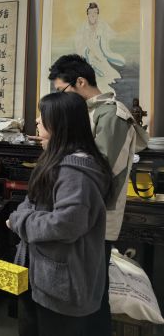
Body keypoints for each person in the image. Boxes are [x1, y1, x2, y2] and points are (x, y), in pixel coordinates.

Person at [48, 54, 148, 335]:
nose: (62, 97)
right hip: (81, 212)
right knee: (81, 290)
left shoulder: (112, 115)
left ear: (80, 82)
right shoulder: (90, 112)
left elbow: (100, 170)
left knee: (92, 294)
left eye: (62, 90)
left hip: (97, 216)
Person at [8, 92, 112, 336]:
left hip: (62, 286)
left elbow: (66, 224)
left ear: (60, 124)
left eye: (42, 116)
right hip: (41, 277)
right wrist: (23, 216)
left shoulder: (75, 172)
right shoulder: (55, 161)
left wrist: (18, 221)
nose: (37, 121)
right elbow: (29, 202)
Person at [74, 2, 125, 94]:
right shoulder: (82, 27)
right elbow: (78, 44)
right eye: (91, 13)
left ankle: (104, 88)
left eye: (95, 12)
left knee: (109, 73)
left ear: (97, 14)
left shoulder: (102, 25)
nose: (93, 15)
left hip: (99, 53)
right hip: (88, 54)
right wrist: (87, 51)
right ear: (87, 14)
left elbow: (112, 35)